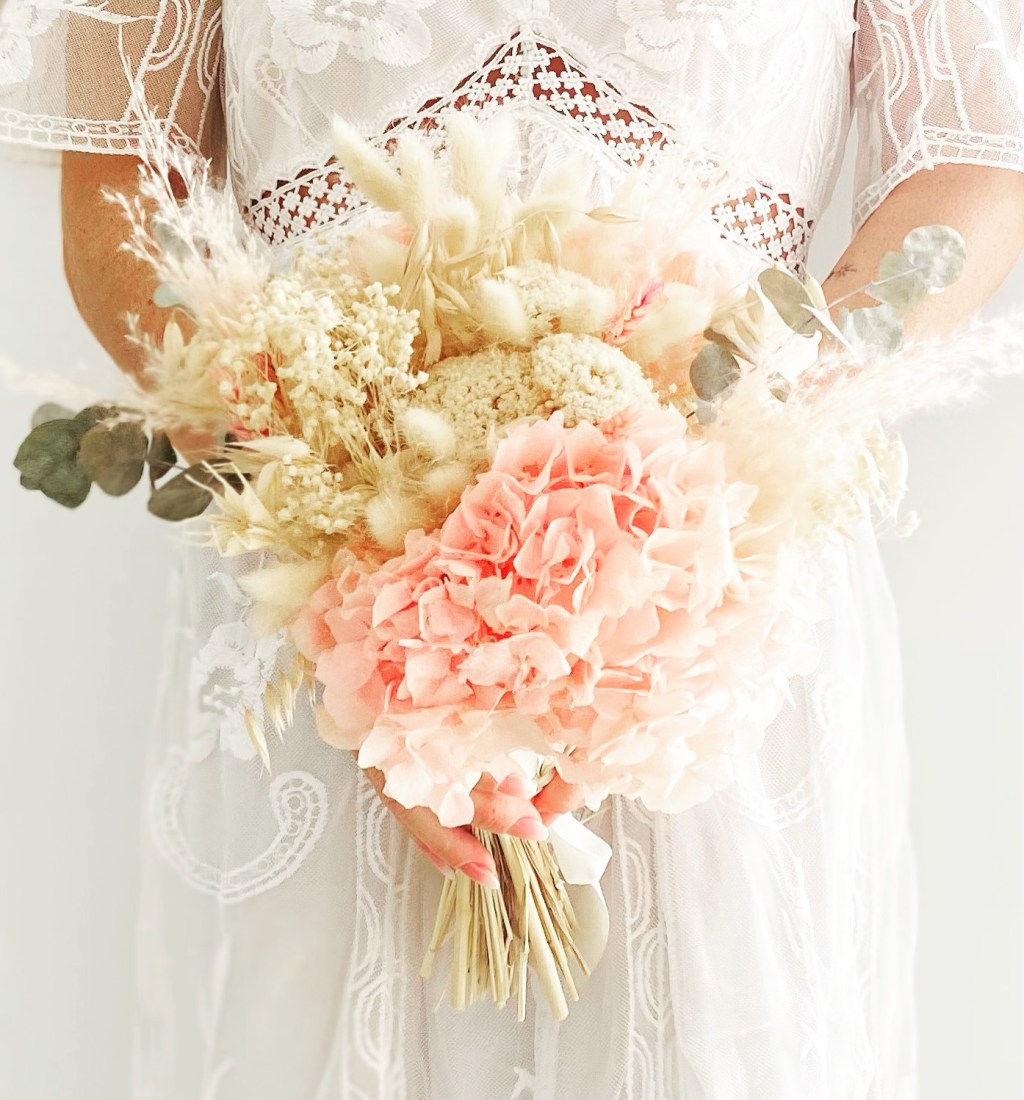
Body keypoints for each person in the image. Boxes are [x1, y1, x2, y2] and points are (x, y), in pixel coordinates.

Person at [3, 3, 1024, 1096]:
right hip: (319, 620)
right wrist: (357, 565)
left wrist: (700, 491)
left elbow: (967, 159)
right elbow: (124, 189)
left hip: (721, 598)